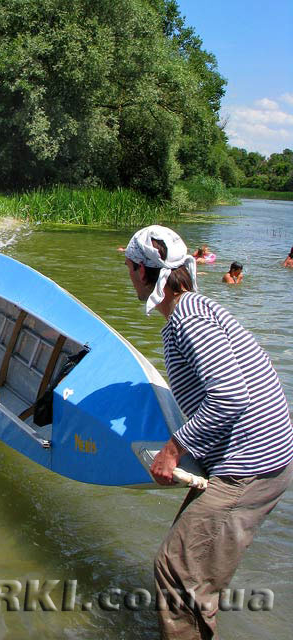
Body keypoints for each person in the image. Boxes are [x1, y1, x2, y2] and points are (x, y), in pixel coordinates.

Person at [124, 225, 293, 640]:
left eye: (129, 268)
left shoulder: (188, 317)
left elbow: (230, 395)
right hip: (259, 458)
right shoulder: (195, 308)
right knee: (190, 568)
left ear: (146, 273)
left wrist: (172, 450)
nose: (129, 277)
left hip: (252, 464)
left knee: (176, 568)